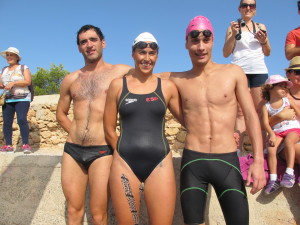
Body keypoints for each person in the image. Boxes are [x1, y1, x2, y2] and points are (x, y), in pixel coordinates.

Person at [161, 15, 266, 225]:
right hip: (193, 162)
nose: (200, 47)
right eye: (194, 41)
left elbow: (251, 116)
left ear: (213, 41)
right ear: (186, 43)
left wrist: (259, 161)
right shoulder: (176, 78)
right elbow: (138, 76)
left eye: (205, 40)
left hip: (226, 160)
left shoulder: (233, 73)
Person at [103, 32, 183, 225]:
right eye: (141, 52)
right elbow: (108, 128)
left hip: (160, 163)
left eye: (151, 53)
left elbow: (189, 120)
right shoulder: (117, 86)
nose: (147, 58)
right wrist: (122, 153)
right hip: (124, 164)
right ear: (133, 54)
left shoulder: (167, 87)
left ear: (157, 56)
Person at [56, 25, 132, 225]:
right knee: (74, 212)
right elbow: (61, 114)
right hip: (72, 150)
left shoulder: (120, 72)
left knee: (98, 216)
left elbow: (149, 76)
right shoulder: (70, 79)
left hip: (102, 151)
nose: (89, 45)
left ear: (102, 43)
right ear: (79, 48)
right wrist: (74, 131)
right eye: (83, 42)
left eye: (93, 39)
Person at [223, 0, 271, 151]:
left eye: (252, 5)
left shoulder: (261, 27)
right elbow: (225, 53)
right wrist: (233, 35)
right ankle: (239, 153)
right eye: (245, 5)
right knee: (239, 112)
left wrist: (264, 42)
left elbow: (268, 52)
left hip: (258, 70)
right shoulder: (232, 27)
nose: (248, 8)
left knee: (259, 111)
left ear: (255, 10)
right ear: (239, 9)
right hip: (239, 71)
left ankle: (261, 152)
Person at [261, 75, 300, 194]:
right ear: (270, 88)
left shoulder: (288, 101)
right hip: (278, 132)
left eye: (285, 87)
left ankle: (289, 172)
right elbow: (265, 123)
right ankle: (274, 179)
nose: (284, 89)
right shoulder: (266, 106)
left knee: (289, 142)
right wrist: (271, 134)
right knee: (271, 148)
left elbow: (299, 114)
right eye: (281, 86)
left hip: (293, 129)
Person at [269, 56, 300, 187]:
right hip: (284, 139)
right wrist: (280, 116)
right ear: (288, 74)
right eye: (298, 72)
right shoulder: (276, 96)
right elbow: (259, 124)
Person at [0, 47, 32, 154]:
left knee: (22, 119)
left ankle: (25, 145)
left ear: (17, 57)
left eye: (11, 55)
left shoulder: (23, 67)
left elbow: (27, 81)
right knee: (7, 122)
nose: (9, 57)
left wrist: (14, 83)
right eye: (7, 55)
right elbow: (1, 84)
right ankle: (8, 145)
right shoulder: (4, 70)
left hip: (22, 98)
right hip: (8, 99)